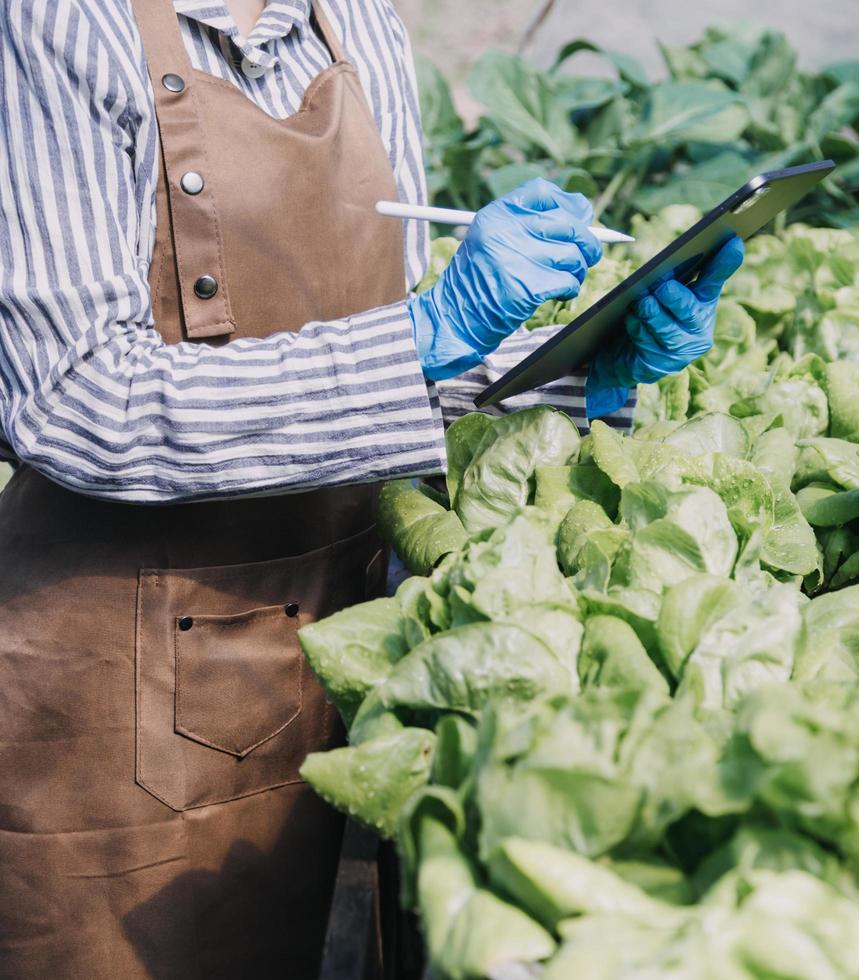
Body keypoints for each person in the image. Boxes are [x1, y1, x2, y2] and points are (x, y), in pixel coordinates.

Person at [0, 1, 743, 977]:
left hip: (332, 660)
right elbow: (69, 399)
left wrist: (585, 360)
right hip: (120, 698)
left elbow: (384, 356)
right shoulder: (61, 23)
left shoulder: (359, 22)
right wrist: (424, 332)